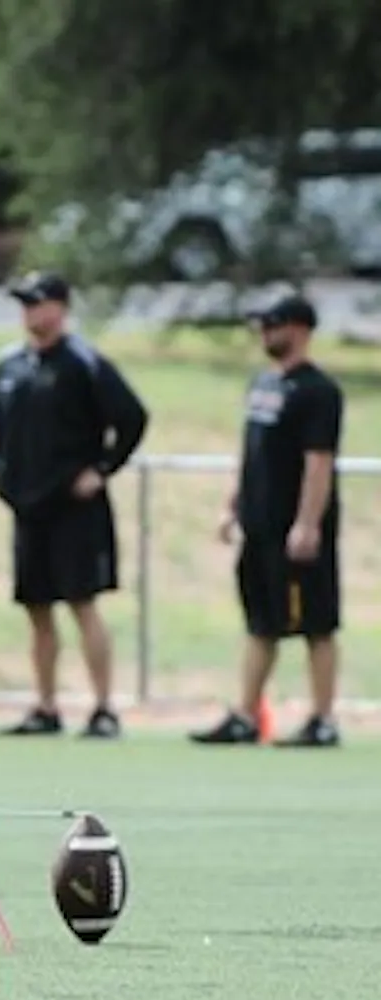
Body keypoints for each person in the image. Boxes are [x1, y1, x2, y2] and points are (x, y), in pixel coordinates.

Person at [0, 271, 149, 739]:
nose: (31, 313)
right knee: (37, 608)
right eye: (25, 305)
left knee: (83, 603)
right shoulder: (9, 366)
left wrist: (101, 469)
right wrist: (0, 477)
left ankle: (102, 707)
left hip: (75, 508)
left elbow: (132, 418)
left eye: (38, 303)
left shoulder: (84, 363)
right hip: (28, 506)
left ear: (60, 308)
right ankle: (45, 704)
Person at [190, 294, 345, 748]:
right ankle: (246, 713)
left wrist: (308, 522)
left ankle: (322, 718)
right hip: (257, 526)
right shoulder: (262, 384)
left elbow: (318, 462)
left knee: (316, 622)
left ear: (298, 329)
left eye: (272, 325)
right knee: (261, 622)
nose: (263, 334)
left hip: (294, 527)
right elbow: (251, 453)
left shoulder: (318, 392)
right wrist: (232, 504)